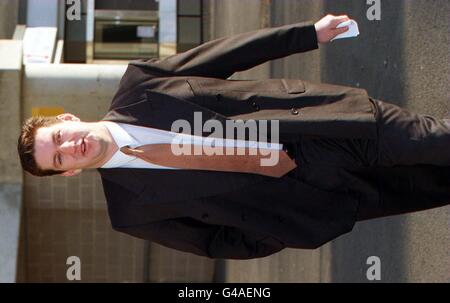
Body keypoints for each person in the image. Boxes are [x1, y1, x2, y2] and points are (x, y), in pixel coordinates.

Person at [17, 14, 450, 259]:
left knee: (433, 140)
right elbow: (213, 242)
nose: (68, 147)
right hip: (318, 198)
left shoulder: (140, 84)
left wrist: (307, 34)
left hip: (321, 125)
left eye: (58, 137)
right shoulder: (131, 212)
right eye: (59, 158)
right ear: (70, 172)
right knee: (438, 185)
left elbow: (230, 54)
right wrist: (281, 228)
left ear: (67, 118)